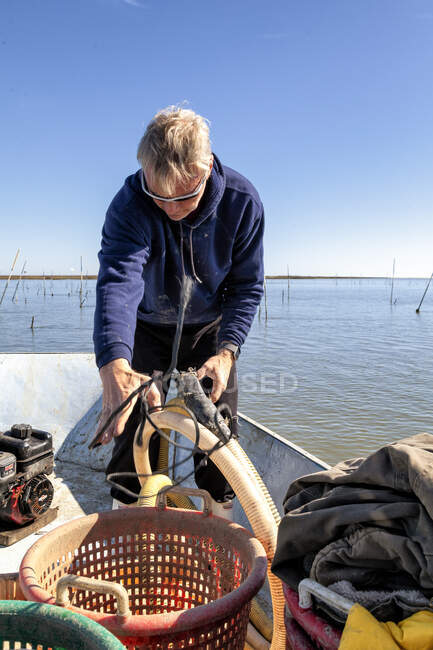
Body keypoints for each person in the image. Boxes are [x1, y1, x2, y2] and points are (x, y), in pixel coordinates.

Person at [93, 106, 264, 516]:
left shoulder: (243, 202)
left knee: (218, 433)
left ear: (206, 167)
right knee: (134, 430)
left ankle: (219, 528)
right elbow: (118, 281)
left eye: (184, 195)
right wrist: (113, 364)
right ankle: (129, 524)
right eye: (158, 196)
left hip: (210, 335)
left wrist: (227, 353)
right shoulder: (130, 204)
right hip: (147, 328)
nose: (170, 208)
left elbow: (246, 286)